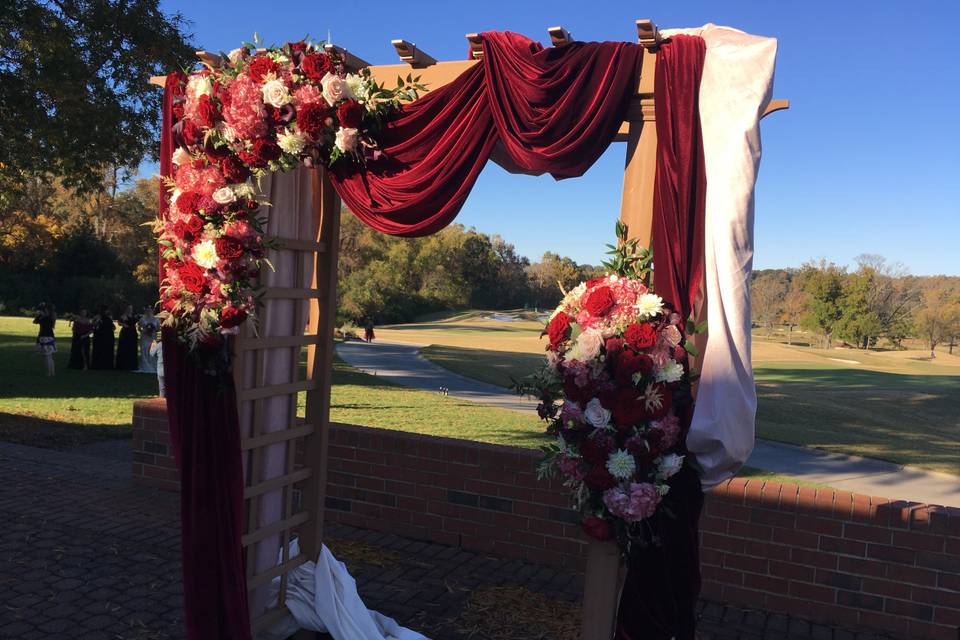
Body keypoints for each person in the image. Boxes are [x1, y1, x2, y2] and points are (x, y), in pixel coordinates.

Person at [33, 303, 57, 377]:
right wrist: (39, 315)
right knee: (49, 356)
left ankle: (49, 372)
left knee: (47, 356)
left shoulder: (48, 318)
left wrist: (40, 315)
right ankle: (52, 372)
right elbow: (35, 321)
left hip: (45, 337)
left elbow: (37, 321)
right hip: (49, 337)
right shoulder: (48, 317)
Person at [115, 304, 139, 370]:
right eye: (129, 308)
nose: (130, 310)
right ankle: (124, 365)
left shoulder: (133, 316)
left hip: (133, 333)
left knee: (132, 348)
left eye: (131, 308)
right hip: (125, 333)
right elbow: (119, 323)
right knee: (125, 347)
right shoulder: (124, 316)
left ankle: (132, 365)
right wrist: (123, 324)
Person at [91, 305, 115, 370]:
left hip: (107, 337)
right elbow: (94, 325)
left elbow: (113, 327)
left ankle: (106, 364)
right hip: (100, 337)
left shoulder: (109, 318)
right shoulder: (97, 317)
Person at [137, 306, 160, 373]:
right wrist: (144, 330)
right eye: (148, 310)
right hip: (144, 337)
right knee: (144, 350)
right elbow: (139, 328)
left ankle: (153, 365)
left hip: (153, 337)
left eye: (150, 310)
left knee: (152, 351)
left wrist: (154, 329)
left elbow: (158, 328)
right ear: (146, 311)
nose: (149, 311)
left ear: (152, 311)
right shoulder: (142, 319)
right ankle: (145, 366)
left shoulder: (156, 320)